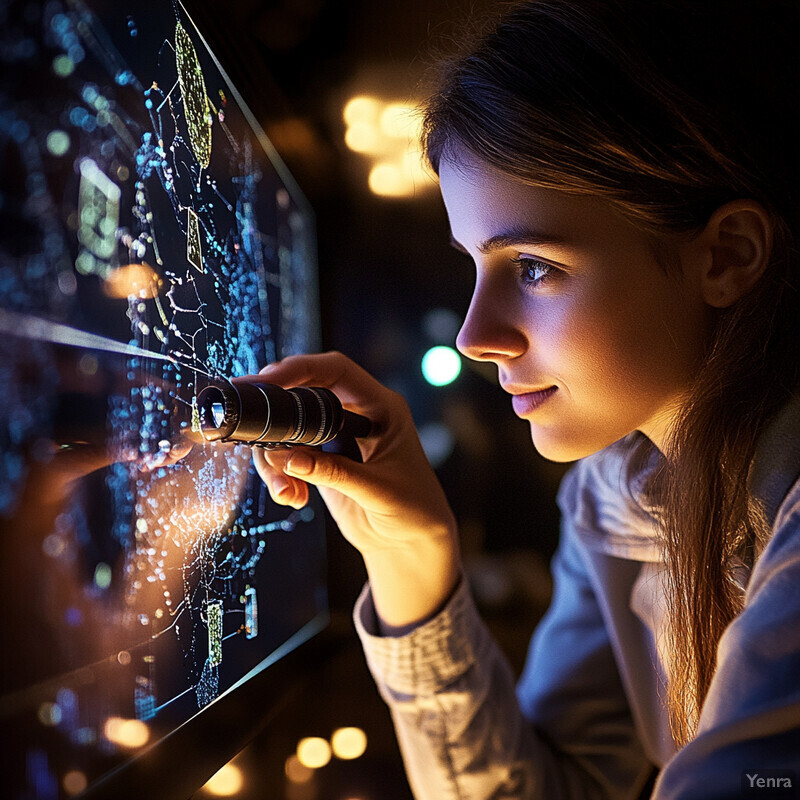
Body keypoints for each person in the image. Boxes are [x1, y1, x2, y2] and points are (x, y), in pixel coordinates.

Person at [254, 0, 800, 797]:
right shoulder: (612, 501)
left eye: (534, 267)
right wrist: (411, 560)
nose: (476, 335)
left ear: (726, 255)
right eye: (474, 266)